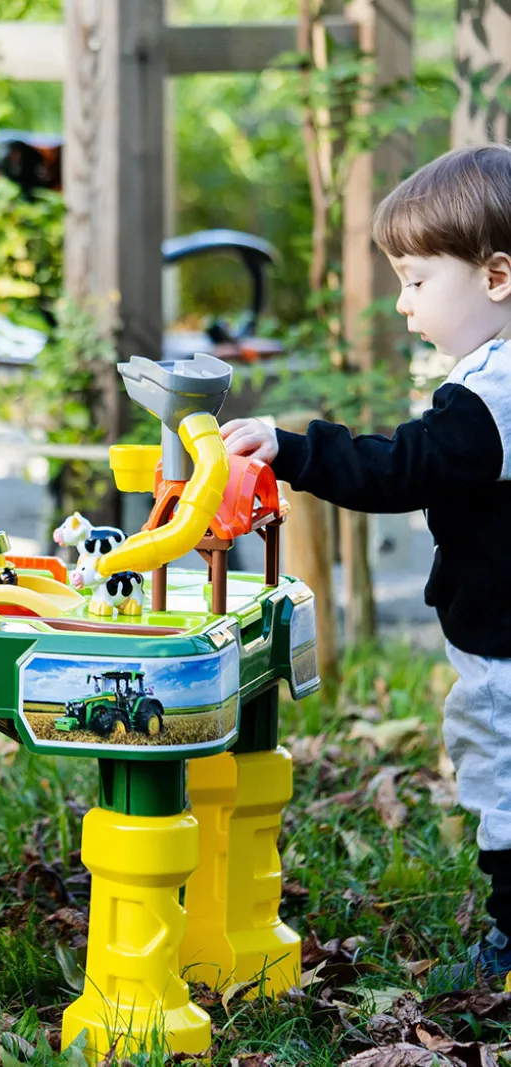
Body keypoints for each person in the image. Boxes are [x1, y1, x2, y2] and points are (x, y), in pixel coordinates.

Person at [221, 144, 511, 985]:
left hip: (502, 642)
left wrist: (293, 450)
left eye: (417, 280)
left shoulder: (489, 397)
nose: (403, 302)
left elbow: (401, 468)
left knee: (501, 780)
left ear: (496, 277)